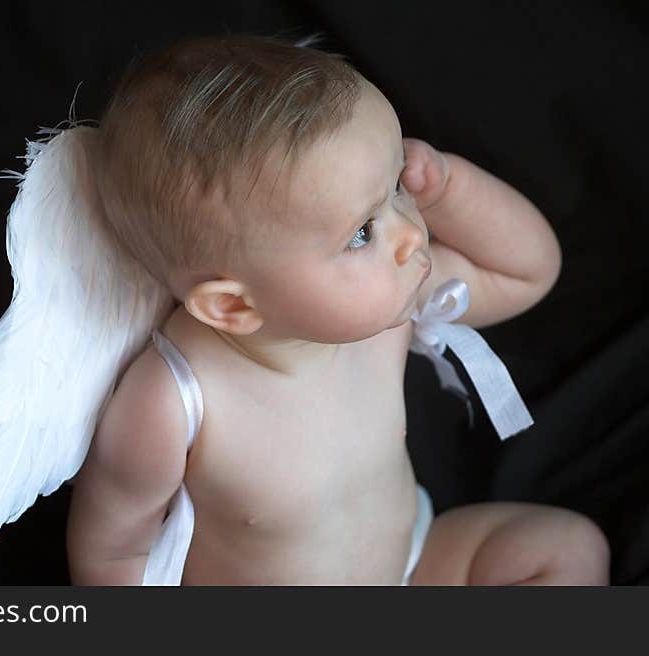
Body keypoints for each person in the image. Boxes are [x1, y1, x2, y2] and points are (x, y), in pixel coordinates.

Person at [63, 32, 610, 585]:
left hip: (412, 566)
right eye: (361, 233)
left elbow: (526, 271)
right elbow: (113, 551)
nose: (410, 236)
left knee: (568, 548)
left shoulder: (386, 309)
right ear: (232, 305)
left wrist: (447, 186)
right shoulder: (173, 402)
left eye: (396, 187)